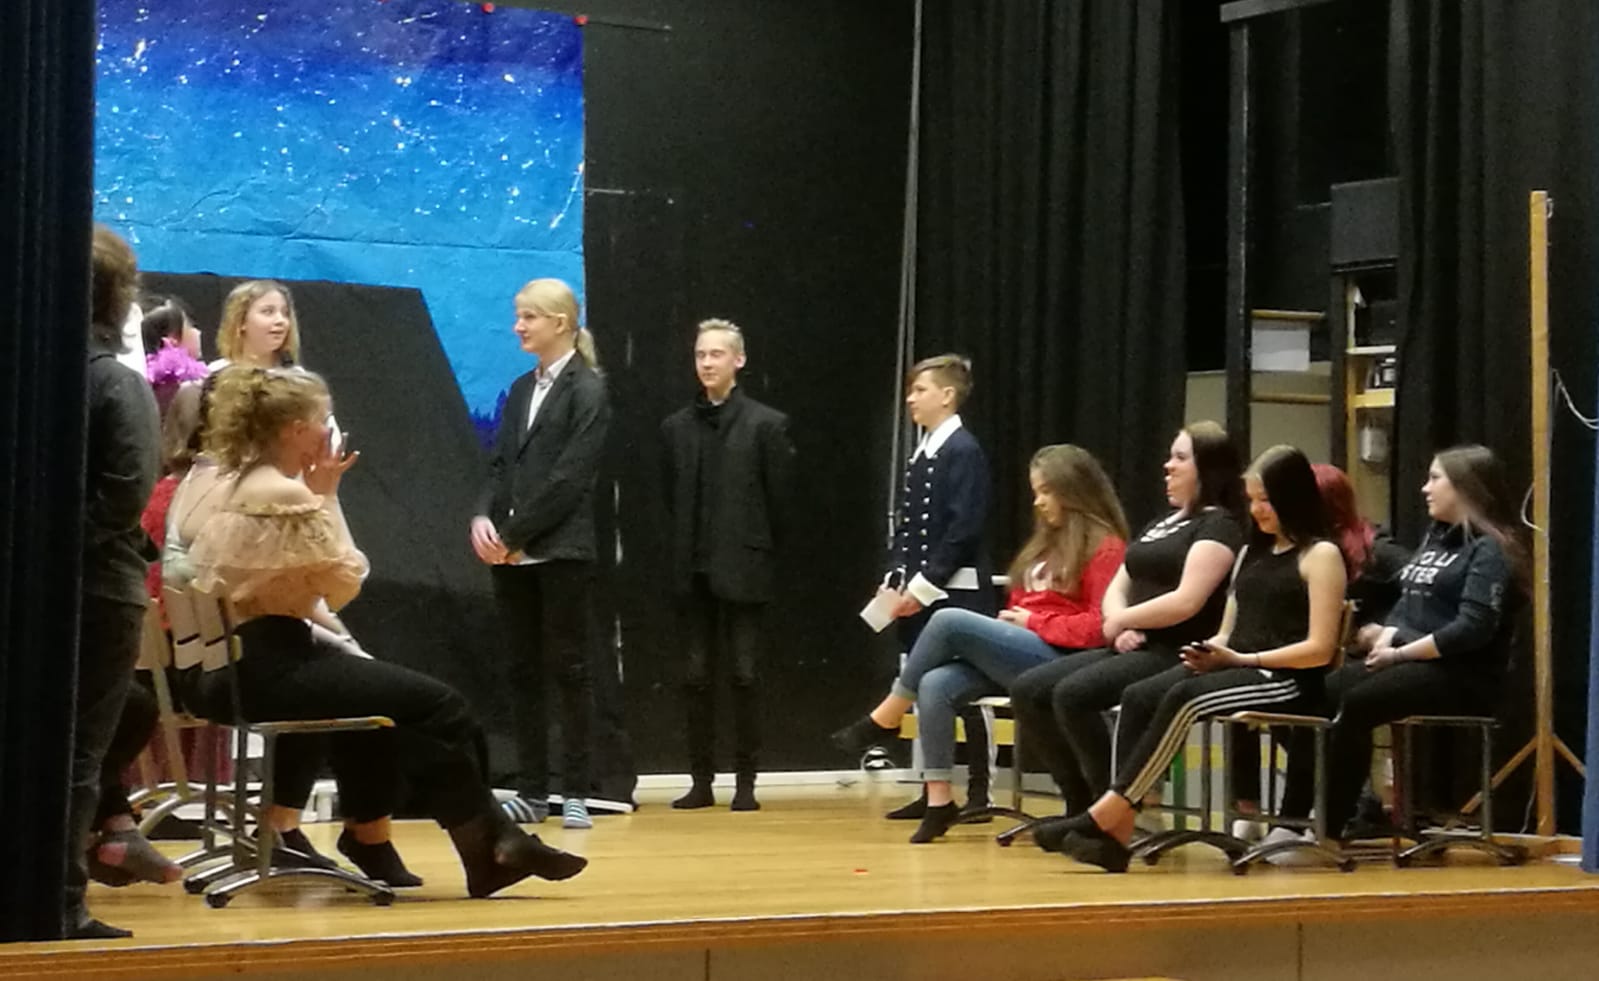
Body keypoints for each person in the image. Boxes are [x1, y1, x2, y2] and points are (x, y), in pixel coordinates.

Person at [188, 367, 587, 897]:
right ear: (294, 429)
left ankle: (458, 844)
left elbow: (302, 592)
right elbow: (343, 584)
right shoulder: (281, 493)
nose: (329, 430)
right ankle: (490, 843)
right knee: (443, 707)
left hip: (252, 662)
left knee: (391, 711)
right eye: (322, 420)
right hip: (271, 667)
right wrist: (328, 495)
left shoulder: (246, 481)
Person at [1048, 445, 1346, 872]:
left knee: (1185, 698)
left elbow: (1320, 647)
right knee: (1141, 694)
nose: (1257, 510)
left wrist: (1243, 659)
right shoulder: (1253, 552)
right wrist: (1214, 651)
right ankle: (1119, 827)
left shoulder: (1321, 556)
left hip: (1287, 680)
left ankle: (1108, 813)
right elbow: (1228, 628)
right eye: (1252, 500)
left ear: (1291, 497)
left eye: (1265, 500)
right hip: (1240, 664)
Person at [832, 445, 1128, 843]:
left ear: (1072, 490)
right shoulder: (1045, 544)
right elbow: (1024, 601)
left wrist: (1033, 622)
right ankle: (939, 800)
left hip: (1065, 658)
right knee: (935, 683)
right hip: (1025, 647)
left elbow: (1098, 627)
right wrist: (1014, 622)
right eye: (1036, 492)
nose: (1038, 502)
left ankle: (886, 716)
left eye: (1046, 491)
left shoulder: (1106, 547)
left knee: (948, 620)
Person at [1262, 445, 1525, 852]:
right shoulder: (1437, 538)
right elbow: (1409, 602)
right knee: (1314, 693)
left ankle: (1331, 831)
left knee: (1359, 703)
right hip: (1412, 662)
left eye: (1435, 478)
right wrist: (1386, 632)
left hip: (1463, 675)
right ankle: (1291, 822)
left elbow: (1472, 629)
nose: (1425, 488)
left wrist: (1400, 651)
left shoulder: (1488, 549)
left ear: (1466, 487)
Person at [1009, 422, 1244, 829]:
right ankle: (1079, 802)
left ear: (1208, 468)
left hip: (1176, 649)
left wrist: (1123, 619)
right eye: (1170, 456)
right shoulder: (1161, 523)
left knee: (1073, 695)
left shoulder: (1219, 526)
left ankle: (1113, 809)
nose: (1168, 466)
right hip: (1133, 641)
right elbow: (1120, 582)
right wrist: (1117, 621)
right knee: (1028, 690)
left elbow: (1187, 600)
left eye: (1180, 458)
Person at [471, 278, 609, 830]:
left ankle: (575, 789)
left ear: (560, 322)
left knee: (569, 669)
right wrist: (483, 517)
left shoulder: (587, 390)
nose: (518, 327)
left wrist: (513, 535)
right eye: (518, 315)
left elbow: (569, 479)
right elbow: (499, 464)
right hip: (513, 555)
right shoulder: (521, 388)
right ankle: (531, 790)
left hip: (560, 551)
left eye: (528, 317)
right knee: (522, 670)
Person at [64, 226, 162, 939]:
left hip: (71, 585)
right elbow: (127, 494)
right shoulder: (115, 381)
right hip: (98, 590)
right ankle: (61, 901)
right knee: (77, 753)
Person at [1227, 462, 1410, 838]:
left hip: (1355, 658)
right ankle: (1250, 806)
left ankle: (1336, 808)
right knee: (1241, 688)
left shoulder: (1376, 548)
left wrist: (1386, 628)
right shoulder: (1289, 550)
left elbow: (1422, 589)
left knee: (1322, 700)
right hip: (1308, 655)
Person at [661, 319, 795, 811]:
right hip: (692, 569)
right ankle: (701, 781)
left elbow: (780, 502)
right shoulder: (675, 427)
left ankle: (746, 782)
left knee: (744, 675)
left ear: (739, 360)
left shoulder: (766, 425)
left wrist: (757, 549)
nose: (707, 363)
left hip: (743, 568)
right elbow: (669, 496)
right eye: (700, 354)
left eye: (716, 354)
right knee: (695, 676)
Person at [860, 354, 1000, 820]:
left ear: (947, 395)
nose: (911, 399)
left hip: (957, 593)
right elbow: (911, 528)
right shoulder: (926, 451)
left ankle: (980, 792)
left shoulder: (963, 450)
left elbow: (963, 531)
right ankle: (933, 786)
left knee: (967, 692)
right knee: (924, 687)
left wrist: (921, 586)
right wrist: (895, 576)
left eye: (920, 390)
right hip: (922, 592)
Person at [209, 279, 301, 371]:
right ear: (241, 320)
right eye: (268, 312)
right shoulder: (217, 372)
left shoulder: (296, 376)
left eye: (285, 313)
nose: (281, 320)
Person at [142, 295, 207, 414]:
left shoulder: (146, 383)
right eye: (190, 326)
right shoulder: (174, 387)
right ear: (172, 339)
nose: (198, 332)